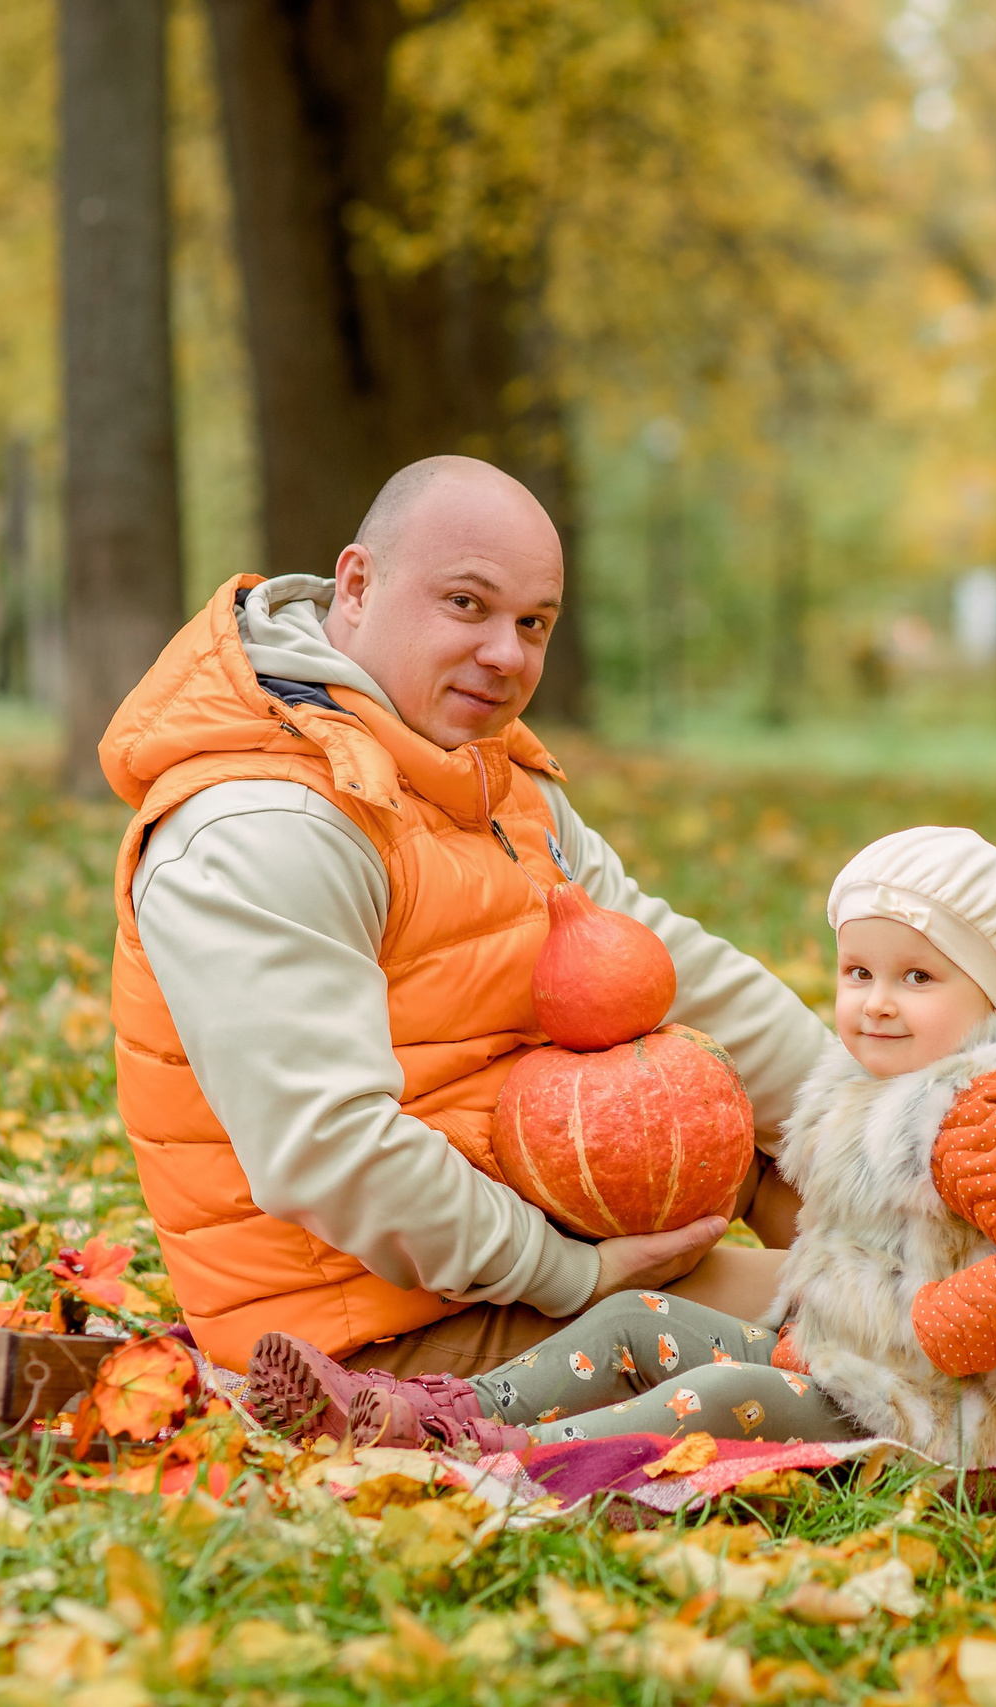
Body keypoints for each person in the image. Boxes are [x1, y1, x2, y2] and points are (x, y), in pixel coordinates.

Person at [101, 456, 828, 1379]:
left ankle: (965, 1276)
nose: (507, 654)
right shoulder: (263, 826)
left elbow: (667, 962)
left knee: (851, 1198)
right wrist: (578, 1272)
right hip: (380, 1322)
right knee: (881, 1338)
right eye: (468, 605)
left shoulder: (478, 772)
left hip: (537, 1203)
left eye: (533, 623)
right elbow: (334, 1150)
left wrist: (879, 1126)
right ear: (358, 584)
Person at [245, 827, 996, 1473]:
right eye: (858, 972)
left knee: (706, 1401)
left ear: (993, 998)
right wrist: (825, 1336)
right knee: (634, 1323)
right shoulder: (881, 1088)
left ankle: (483, 1454)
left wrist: (928, 1333)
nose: (877, 1002)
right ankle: (433, 1406)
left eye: (918, 977)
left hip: (966, 1422)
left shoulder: (977, 1111)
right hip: (867, 1374)